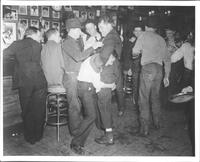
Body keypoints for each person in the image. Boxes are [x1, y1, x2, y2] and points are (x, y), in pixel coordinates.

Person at [62, 18, 102, 154]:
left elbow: (83, 55)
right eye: (78, 29)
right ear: (72, 30)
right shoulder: (67, 42)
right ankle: (75, 133)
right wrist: (93, 47)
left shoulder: (76, 40)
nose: (81, 31)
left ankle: (78, 132)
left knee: (81, 107)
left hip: (80, 77)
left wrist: (88, 40)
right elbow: (79, 57)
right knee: (74, 106)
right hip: (71, 77)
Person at [3, 26, 47, 144]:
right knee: (39, 109)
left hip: (25, 82)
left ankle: (30, 138)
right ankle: (38, 135)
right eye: (39, 35)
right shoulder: (38, 46)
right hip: (40, 81)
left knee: (27, 109)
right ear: (32, 34)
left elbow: (4, 54)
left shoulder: (17, 44)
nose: (40, 38)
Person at [132, 17, 171, 136]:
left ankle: (144, 129)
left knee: (143, 99)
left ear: (146, 27)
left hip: (148, 69)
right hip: (159, 70)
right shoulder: (161, 39)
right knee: (155, 97)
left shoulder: (143, 36)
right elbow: (167, 59)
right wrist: (167, 76)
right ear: (156, 28)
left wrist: (135, 56)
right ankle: (157, 123)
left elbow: (134, 52)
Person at [94, 14, 125, 145]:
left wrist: (93, 60)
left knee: (104, 105)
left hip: (106, 74)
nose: (100, 29)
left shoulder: (110, 37)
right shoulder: (114, 35)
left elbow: (103, 57)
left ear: (108, 24)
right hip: (113, 71)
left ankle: (109, 136)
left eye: (101, 27)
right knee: (105, 104)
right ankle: (109, 129)